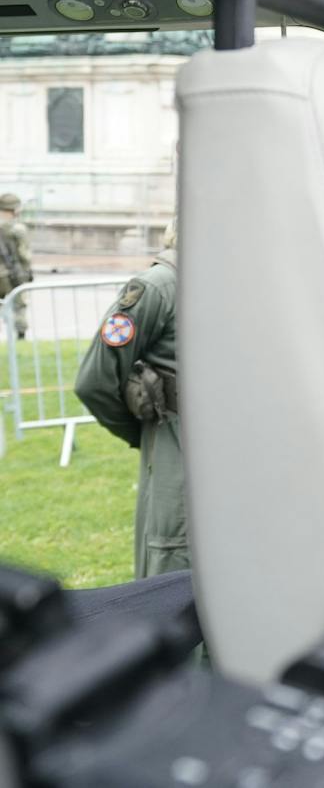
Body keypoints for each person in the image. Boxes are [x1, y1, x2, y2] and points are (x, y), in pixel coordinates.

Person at [74, 221, 184, 578]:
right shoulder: (158, 287)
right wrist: (140, 433)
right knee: (176, 563)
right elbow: (95, 381)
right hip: (179, 444)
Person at [0, 193, 31, 340]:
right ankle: (20, 335)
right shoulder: (18, 229)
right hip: (12, 273)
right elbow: (24, 254)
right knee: (19, 306)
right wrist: (26, 271)